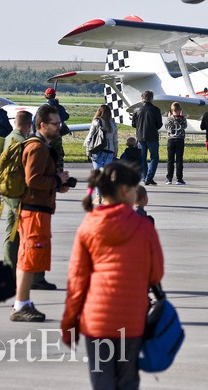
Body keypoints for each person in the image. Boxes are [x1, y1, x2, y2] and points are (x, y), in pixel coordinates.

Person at [61, 162, 164, 389]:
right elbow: (156, 272)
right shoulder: (144, 226)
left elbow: (76, 280)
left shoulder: (88, 226)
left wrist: (69, 323)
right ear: (125, 191)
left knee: (102, 380)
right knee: (127, 380)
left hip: (96, 320)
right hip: (132, 320)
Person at [11, 104, 71, 322]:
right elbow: (33, 180)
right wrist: (56, 180)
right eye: (55, 124)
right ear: (42, 125)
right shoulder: (37, 148)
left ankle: (23, 302)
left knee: (27, 257)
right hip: (33, 212)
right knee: (28, 257)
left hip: (36, 210)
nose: (59, 127)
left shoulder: (40, 146)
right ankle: (21, 305)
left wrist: (57, 184)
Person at [1, 110, 33, 271]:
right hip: (18, 192)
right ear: (29, 125)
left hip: (8, 190)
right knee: (18, 232)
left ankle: (10, 264)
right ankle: (11, 266)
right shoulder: (21, 142)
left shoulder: (9, 138)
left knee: (11, 229)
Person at [131, 90, 163, 185]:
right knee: (154, 157)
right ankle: (149, 177)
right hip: (152, 136)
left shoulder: (137, 110)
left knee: (143, 158)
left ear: (142, 98)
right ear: (152, 99)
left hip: (140, 136)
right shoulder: (156, 110)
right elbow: (159, 124)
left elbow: (133, 124)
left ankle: (145, 177)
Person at [40, 87, 71, 173]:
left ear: (45, 96)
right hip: (57, 135)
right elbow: (66, 116)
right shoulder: (59, 107)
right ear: (54, 96)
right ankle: (59, 173)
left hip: (46, 137)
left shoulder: (43, 108)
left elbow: (36, 121)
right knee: (58, 157)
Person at [85, 104, 118, 171]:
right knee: (106, 173)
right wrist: (115, 152)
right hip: (110, 151)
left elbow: (90, 136)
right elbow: (115, 141)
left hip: (98, 149)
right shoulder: (113, 124)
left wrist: (88, 150)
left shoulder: (96, 122)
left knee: (98, 172)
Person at [165, 102, 188, 185]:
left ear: (171, 110)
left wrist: (169, 117)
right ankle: (179, 178)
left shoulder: (169, 119)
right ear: (179, 110)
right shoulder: (182, 119)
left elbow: (167, 127)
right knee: (179, 160)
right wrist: (180, 117)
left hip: (171, 140)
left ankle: (169, 178)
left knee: (170, 160)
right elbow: (185, 126)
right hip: (179, 140)